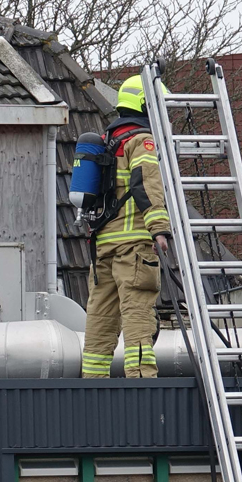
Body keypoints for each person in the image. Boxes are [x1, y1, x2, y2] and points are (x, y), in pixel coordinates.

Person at [80, 75, 173, 380]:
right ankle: (142, 380)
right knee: (137, 311)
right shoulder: (141, 140)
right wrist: (159, 227)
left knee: (100, 316)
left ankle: (93, 382)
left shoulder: (109, 141)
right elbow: (146, 183)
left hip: (102, 245)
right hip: (134, 244)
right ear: (147, 105)